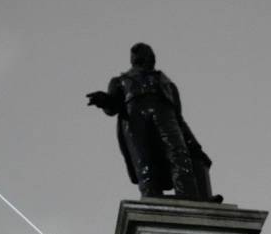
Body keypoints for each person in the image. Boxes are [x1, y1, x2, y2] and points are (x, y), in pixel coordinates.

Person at [86, 43, 219, 201]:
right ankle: (151, 196)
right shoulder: (121, 81)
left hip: (165, 115)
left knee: (178, 152)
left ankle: (188, 194)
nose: (150, 59)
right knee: (144, 159)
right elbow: (113, 106)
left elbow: (178, 116)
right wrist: (104, 100)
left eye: (150, 55)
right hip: (134, 118)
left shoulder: (166, 83)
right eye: (145, 55)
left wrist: (190, 139)